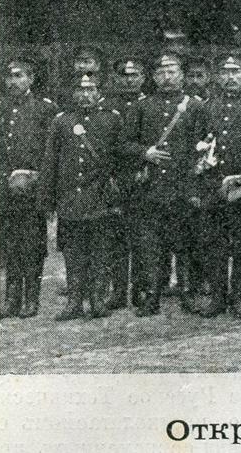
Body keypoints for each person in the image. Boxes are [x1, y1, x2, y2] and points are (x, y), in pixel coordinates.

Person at [123, 52, 205, 317]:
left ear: (181, 75)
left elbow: (204, 147)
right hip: (152, 190)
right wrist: (144, 152)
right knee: (152, 248)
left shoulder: (195, 107)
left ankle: (187, 295)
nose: (167, 77)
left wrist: (194, 188)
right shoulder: (142, 106)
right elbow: (124, 144)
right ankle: (152, 296)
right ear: (154, 77)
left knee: (186, 246)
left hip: (183, 189)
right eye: (161, 73)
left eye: (172, 72)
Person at [42, 72, 125, 320]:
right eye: (80, 90)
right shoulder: (62, 121)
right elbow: (51, 162)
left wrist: (117, 194)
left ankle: (97, 300)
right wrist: (48, 200)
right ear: (73, 93)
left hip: (100, 197)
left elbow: (120, 158)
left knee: (101, 252)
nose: (85, 95)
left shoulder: (111, 119)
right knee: (73, 253)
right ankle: (74, 302)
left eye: (90, 90)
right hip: (70, 199)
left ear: (99, 93)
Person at [191, 53, 241, 318]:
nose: (231, 77)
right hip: (213, 186)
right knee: (214, 245)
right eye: (225, 73)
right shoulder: (207, 107)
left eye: (235, 73)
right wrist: (199, 185)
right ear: (217, 77)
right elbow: (197, 147)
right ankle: (218, 297)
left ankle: (240, 297)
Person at [0, 56, 56, 318]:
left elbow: (51, 151)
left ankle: (31, 298)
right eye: (10, 77)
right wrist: (4, 177)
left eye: (19, 76)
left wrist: (38, 178)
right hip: (6, 188)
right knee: (10, 244)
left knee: (32, 244)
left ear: (31, 79)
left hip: (33, 188)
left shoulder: (45, 108)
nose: (13, 81)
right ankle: (12, 299)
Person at [103, 57, 146, 311]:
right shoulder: (107, 106)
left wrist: (144, 168)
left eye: (134, 75)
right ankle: (118, 292)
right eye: (125, 76)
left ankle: (140, 290)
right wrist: (109, 176)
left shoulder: (149, 103)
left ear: (143, 78)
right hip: (115, 181)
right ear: (117, 79)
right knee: (116, 240)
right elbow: (103, 145)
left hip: (141, 179)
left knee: (140, 238)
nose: (129, 80)